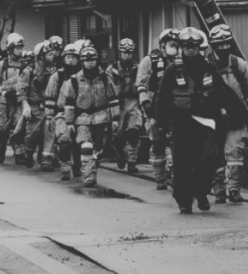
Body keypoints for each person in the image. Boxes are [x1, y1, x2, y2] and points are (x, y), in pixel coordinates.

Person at [155, 27, 235, 214]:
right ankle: (184, 200)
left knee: (210, 158)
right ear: (181, 47)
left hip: (206, 122)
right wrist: (160, 123)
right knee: (182, 163)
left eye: (194, 46)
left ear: (200, 47)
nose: (190, 49)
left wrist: (231, 112)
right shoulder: (173, 69)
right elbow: (162, 97)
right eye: (186, 46)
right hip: (181, 122)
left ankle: (201, 192)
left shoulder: (208, 68)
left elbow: (222, 92)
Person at [208, 25, 248, 204]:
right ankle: (218, 189)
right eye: (219, 44)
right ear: (212, 45)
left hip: (236, 116)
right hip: (213, 118)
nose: (223, 48)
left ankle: (234, 189)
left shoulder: (238, 65)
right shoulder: (206, 65)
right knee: (215, 154)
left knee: (235, 153)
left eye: (226, 43)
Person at [60, 44, 120, 187]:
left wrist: (115, 118)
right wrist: (69, 122)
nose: (90, 62)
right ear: (82, 62)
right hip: (82, 118)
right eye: (86, 60)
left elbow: (113, 99)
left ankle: (94, 163)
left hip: (101, 117)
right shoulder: (74, 80)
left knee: (98, 149)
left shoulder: (105, 78)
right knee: (86, 145)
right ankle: (88, 175)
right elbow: (68, 103)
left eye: (92, 59)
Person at [137, 28, 179, 190]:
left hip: (177, 107)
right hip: (156, 107)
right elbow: (141, 84)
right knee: (158, 142)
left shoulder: (182, 61)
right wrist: (146, 104)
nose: (175, 48)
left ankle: (177, 176)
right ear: (162, 45)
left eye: (178, 45)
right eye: (172, 44)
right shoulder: (150, 61)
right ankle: (160, 178)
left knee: (177, 142)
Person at [19, 38, 62, 171]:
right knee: (33, 134)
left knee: (50, 133)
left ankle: (46, 161)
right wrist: (25, 105)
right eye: (49, 54)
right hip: (35, 107)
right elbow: (21, 89)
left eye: (53, 54)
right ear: (42, 55)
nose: (52, 56)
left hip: (50, 107)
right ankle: (28, 152)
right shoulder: (29, 70)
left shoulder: (56, 71)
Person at [107, 38, 144, 174]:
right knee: (117, 136)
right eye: (124, 52)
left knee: (133, 133)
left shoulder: (138, 68)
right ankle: (120, 153)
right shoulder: (112, 69)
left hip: (134, 101)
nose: (127, 55)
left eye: (129, 52)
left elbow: (143, 83)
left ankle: (132, 161)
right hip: (117, 103)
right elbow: (108, 89)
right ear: (120, 52)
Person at [47, 42, 82, 180]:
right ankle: (65, 167)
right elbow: (50, 96)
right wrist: (49, 116)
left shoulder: (82, 75)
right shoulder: (57, 76)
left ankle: (78, 165)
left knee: (79, 142)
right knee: (65, 141)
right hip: (61, 113)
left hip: (79, 113)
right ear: (63, 58)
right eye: (69, 57)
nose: (72, 60)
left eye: (74, 57)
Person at [0, 33, 27, 165]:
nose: (20, 50)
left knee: (20, 127)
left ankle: (19, 153)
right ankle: (2, 149)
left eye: (21, 47)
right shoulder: (1, 65)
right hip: (5, 102)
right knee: (3, 129)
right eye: (17, 48)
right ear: (10, 49)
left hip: (18, 101)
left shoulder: (25, 64)